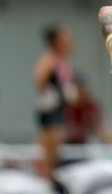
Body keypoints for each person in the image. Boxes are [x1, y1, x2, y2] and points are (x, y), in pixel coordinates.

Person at [33, 25, 77, 182]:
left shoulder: (62, 59)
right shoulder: (49, 58)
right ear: (56, 41)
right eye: (65, 37)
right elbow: (38, 80)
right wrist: (52, 91)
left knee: (56, 152)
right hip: (50, 109)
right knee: (49, 152)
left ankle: (49, 178)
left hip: (59, 108)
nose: (69, 40)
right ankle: (43, 180)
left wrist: (68, 91)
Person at [64, 73, 112, 145]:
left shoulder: (90, 107)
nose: (79, 93)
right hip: (62, 148)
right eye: (76, 89)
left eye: (81, 89)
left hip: (81, 148)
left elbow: (101, 129)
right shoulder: (64, 107)